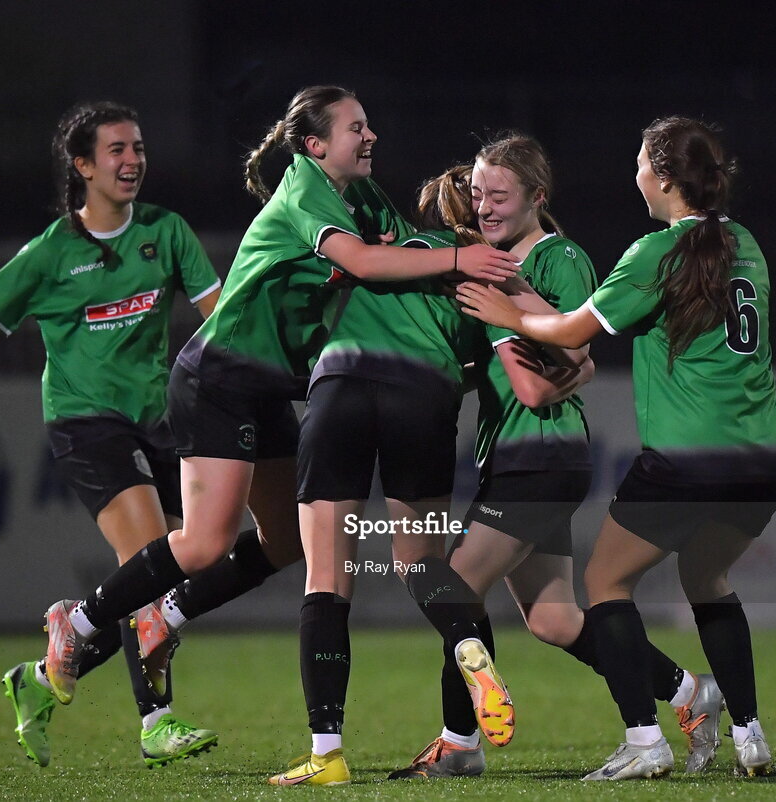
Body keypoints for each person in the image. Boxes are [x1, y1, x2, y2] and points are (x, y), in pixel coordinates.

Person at [33, 86, 520, 778]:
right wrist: (458, 260)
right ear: (315, 145)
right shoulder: (303, 190)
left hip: (274, 384)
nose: (371, 135)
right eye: (356, 127)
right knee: (203, 542)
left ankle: (164, 619)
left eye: (369, 122)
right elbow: (369, 265)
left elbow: (389, 257)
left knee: (291, 542)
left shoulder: (365, 196)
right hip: (220, 375)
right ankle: (78, 624)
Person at [457, 117, 776, 780]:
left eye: (641, 165)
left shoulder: (653, 253)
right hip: (764, 456)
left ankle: (644, 740)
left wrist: (509, 316)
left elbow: (573, 329)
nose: (635, 176)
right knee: (707, 580)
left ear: (664, 179)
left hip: (689, 457)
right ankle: (749, 735)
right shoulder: (744, 242)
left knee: (605, 583)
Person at [0, 101, 222, 768]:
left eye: (138, 146)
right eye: (116, 150)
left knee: (178, 569)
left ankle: (42, 674)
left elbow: (217, 316)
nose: (132, 160)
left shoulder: (166, 230)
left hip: (157, 421)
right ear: (82, 166)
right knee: (152, 565)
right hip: (85, 421)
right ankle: (156, 722)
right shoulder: (51, 252)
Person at [390, 134, 722, 780]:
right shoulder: (495, 265)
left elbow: (563, 357)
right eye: (478, 193)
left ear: (537, 197)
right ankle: (689, 693)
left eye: (500, 195)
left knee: (453, 588)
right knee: (552, 617)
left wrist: (510, 312)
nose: (484, 206)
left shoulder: (556, 257)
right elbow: (567, 363)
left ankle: (458, 744)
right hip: (523, 456)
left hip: (537, 456)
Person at [268, 164, 518, 787]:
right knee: (424, 566)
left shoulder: (384, 252)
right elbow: (485, 366)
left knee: (327, 579)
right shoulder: (481, 271)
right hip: (424, 397)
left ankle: (326, 752)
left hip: (343, 391)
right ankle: (467, 641)